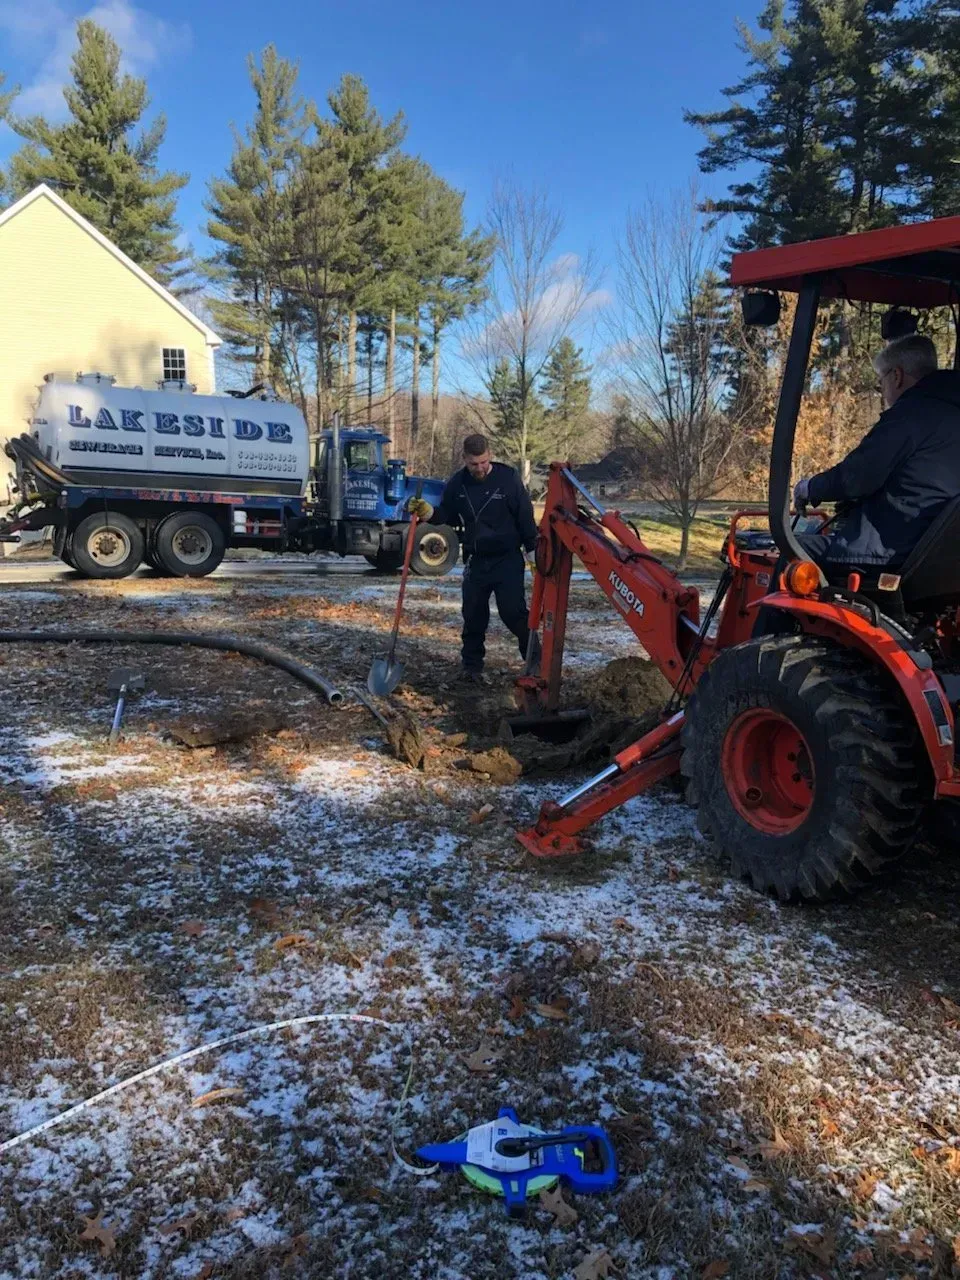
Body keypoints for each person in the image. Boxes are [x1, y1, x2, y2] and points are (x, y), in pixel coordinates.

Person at [792, 333, 960, 570]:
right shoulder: (950, 413)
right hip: (941, 561)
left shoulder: (909, 416)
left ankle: (767, 610)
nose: (882, 390)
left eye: (881, 381)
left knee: (793, 551)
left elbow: (856, 477)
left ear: (897, 376)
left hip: (891, 552)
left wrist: (809, 487)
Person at [408, 433, 539, 682]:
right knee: (473, 614)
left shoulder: (508, 478)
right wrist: (429, 512)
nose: (479, 468)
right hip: (477, 558)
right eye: (473, 464)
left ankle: (535, 661)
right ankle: (471, 667)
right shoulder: (458, 484)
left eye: (483, 462)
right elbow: (447, 514)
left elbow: (525, 516)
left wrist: (532, 551)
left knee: (514, 613)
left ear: (489, 455)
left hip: (507, 558)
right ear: (464, 459)